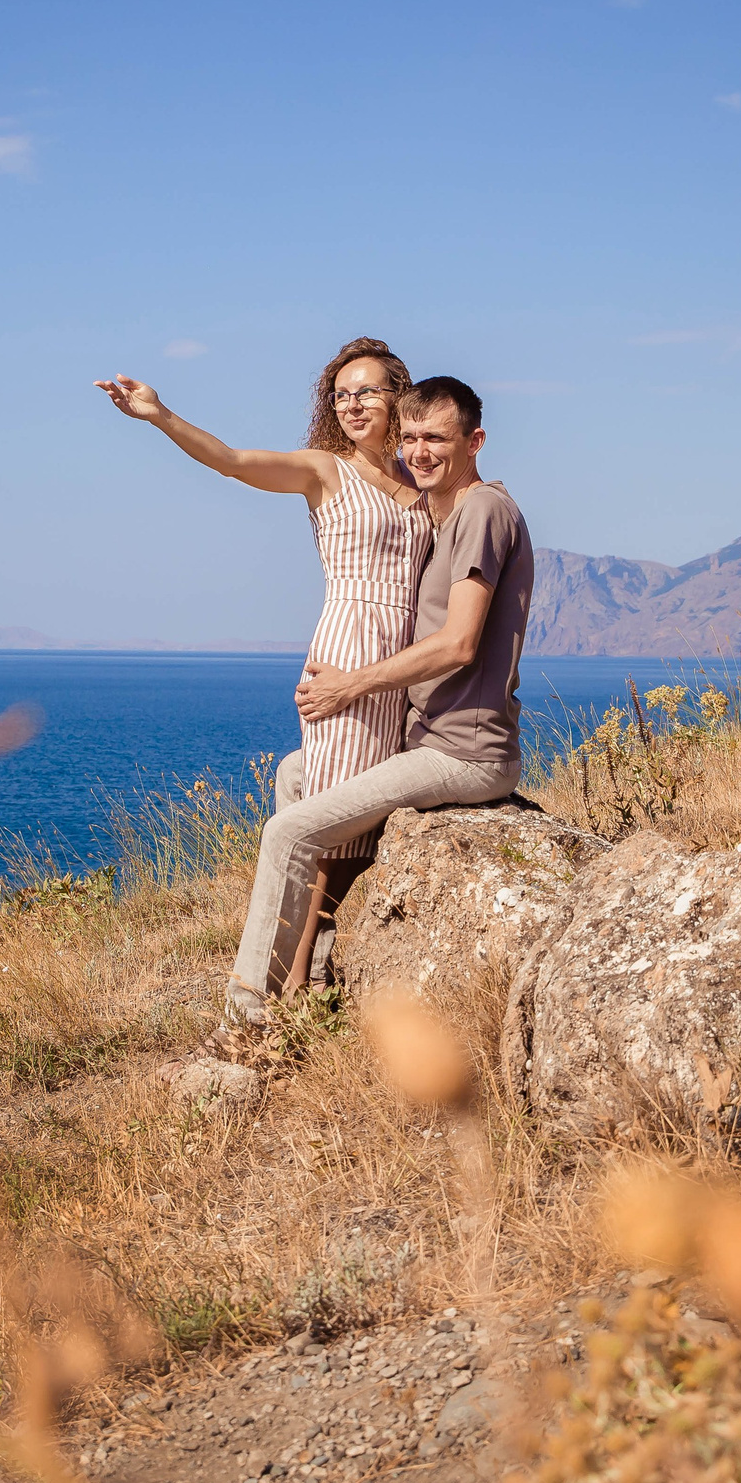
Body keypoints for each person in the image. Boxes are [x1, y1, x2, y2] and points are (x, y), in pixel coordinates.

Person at [93, 339, 433, 990]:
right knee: (332, 821)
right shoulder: (325, 470)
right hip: (349, 654)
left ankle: (304, 971)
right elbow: (233, 462)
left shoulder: (421, 485)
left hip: (405, 665)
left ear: (399, 397)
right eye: (341, 395)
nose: (352, 404)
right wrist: (159, 414)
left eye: (367, 391)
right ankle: (287, 984)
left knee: (364, 823)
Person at [224, 375, 534, 1038]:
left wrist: (351, 686)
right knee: (295, 774)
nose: (420, 452)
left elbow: (459, 644)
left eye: (437, 438)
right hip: (431, 741)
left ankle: (247, 1018)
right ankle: (312, 974)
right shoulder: (447, 513)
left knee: (288, 833)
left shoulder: (481, 511)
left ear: (475, 441)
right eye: (412, 437)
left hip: (464, 753)